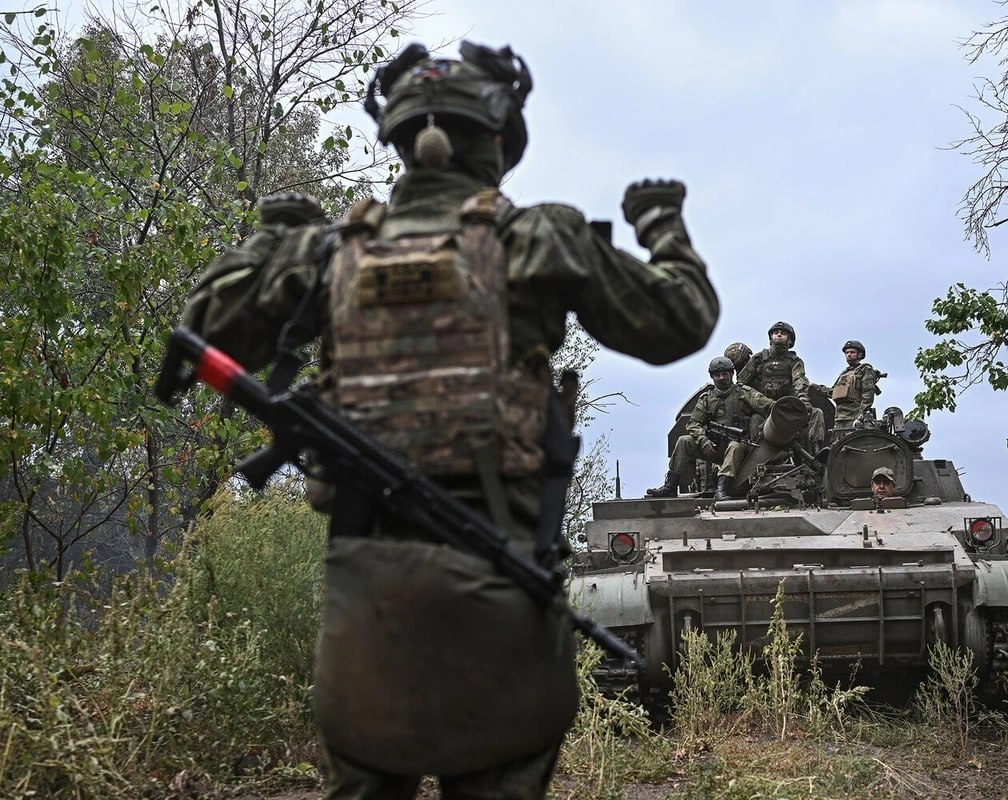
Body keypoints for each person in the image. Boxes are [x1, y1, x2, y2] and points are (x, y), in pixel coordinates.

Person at [180, 40, 718, 800]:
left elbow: (202, 328)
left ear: (400, 140)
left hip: (367, 597)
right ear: (499, 139)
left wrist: (273, 243)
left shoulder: (328, 253)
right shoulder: (536, 238)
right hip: (503, 587)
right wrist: (663, 224)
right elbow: (679, 321)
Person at [646, 356, 773, 501]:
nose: (721, 378)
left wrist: (789, 408)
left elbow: (768, 405)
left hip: (742, 449)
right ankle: (670, 487)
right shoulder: (706, 398)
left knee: (735, 446)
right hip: (713, 446)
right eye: (717, 375)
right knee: (684, 441)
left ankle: (722, 489)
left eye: (724, 374)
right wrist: (703, 440)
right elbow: (693, 424)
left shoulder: (745, 393)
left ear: (731, 374)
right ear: (712, 377)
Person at [737, 321, 823, 454]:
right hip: (763, 408)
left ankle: (816, 452)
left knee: (816, 413)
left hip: (787, 407)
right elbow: (741, 383)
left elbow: (799, 380)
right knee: (754, 420)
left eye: (783, 333)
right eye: (776, 333)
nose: (779, 335)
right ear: (770, 337)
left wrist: (803, 399)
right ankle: (754, 456)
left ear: (790, 340)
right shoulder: (758, 359)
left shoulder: (795, 361)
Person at [821, 339, 880, 433]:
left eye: (852, 352)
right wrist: (813, 386)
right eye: (847, 352)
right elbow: (832, 392)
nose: (848, 354)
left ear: (860, 355)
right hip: (840, 419)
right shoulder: (845, 373)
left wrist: (861, 417)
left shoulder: (865, 370)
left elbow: (868, 394)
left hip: (855, 417)